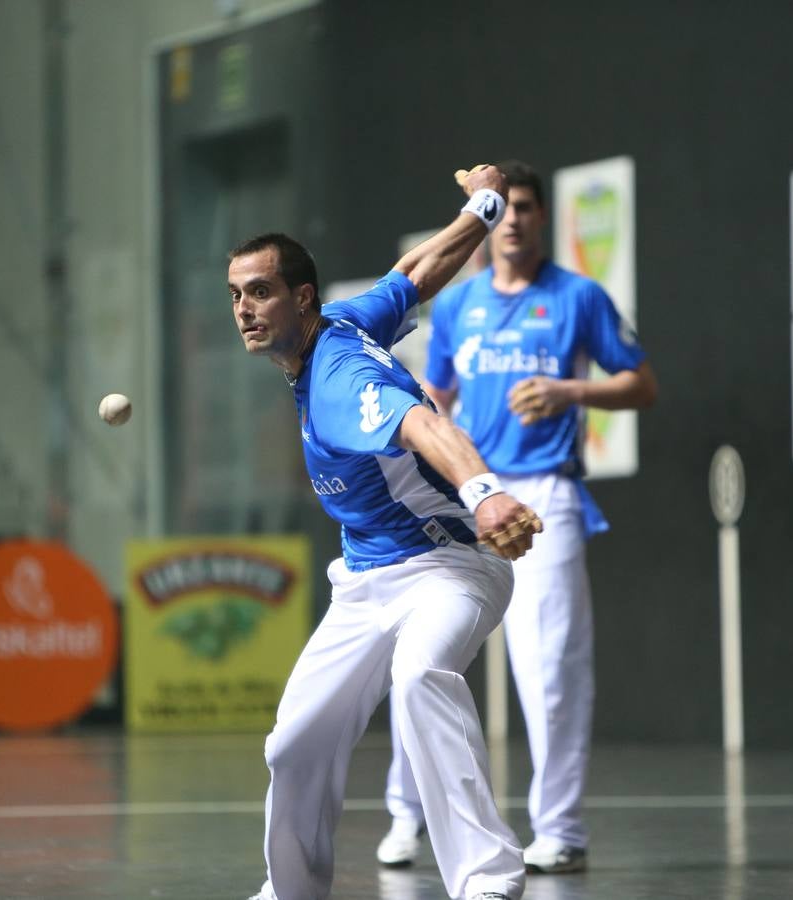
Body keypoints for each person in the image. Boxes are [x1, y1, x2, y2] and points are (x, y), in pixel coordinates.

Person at [234, 164, 540, 900]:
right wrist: (484, 208)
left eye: (261, 292)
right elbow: (415, 272)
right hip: (366, 581)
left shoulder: (339, 382)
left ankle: (486, 877)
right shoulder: (340, 320)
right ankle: (292, 890)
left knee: (421, 676)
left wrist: (486, 494)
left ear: (300, 297)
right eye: (237, 294)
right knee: (295, 741)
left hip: (450, 567)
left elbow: (424, 425)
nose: (244, 308)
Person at [374, 160, 658, 876]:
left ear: (542, 217)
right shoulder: (459, 306)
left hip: (547, 497)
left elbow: (641, 384)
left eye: (528, 207)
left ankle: (559, 828)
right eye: (507, 208)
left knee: (552, 667)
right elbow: (433, 397)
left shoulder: (579, 297)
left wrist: (569, 391)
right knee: (421, 658)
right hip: (466, 495)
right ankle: (407, 816)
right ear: (488, 220)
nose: (516, 220)